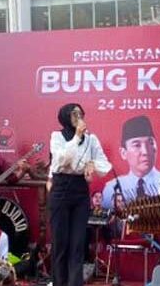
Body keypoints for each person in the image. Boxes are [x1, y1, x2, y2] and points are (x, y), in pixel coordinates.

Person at [49, 103, 111, 286]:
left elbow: (105, 165)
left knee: (78, 244)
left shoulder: (91, 139)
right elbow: (61, 160)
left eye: (80, 113)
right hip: (60, 188)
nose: (78, 116)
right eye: (74, 113)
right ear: (65, 116)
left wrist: (92, 164)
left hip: (80, 190)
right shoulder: (57, 136)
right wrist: (77, 136)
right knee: (60, 244)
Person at [101, 115, 160, 208]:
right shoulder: (112, 188)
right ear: (123, 153)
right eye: (137, 145)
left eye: (150, 143)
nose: (145, 152)